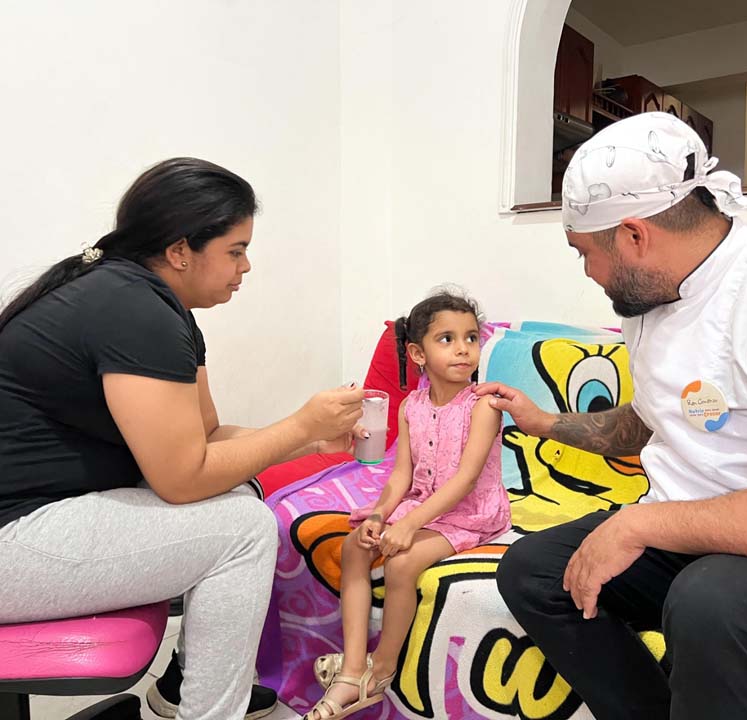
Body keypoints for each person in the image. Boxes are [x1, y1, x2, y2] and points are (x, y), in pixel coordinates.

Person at [475, 112, 747, 720]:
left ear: (633, 235)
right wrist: (544, 423)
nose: (588, 273)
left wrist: (636, 527)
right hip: (691, 537)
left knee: (713, 604)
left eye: (584, 254)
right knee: (533, 572)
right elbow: (658, 418)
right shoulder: (649, 294)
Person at [0, 158, 365, 720]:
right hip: (14, 538)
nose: (246, 266)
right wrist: (300, 425)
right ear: (179, 251)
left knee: (238, 492)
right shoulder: (134, 311)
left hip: (41, 516)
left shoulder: (153, 304)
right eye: (236, 250)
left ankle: (180, 685)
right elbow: (181, 478)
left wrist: (313, 440)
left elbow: (207, 438)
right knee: (243, 528)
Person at [303, 290, 511, 720]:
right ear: (417, 352)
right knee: (354, 546)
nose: (463, 349)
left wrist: (409, 525)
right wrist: (380, 515)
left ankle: (380, 672)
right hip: (422, 503)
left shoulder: (484, 406)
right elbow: (401, 475)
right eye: (447, 339)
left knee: (401, 563)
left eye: (471, 338)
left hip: (469, 511)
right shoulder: (412, 406)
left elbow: (465, 479)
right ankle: (353, 667)